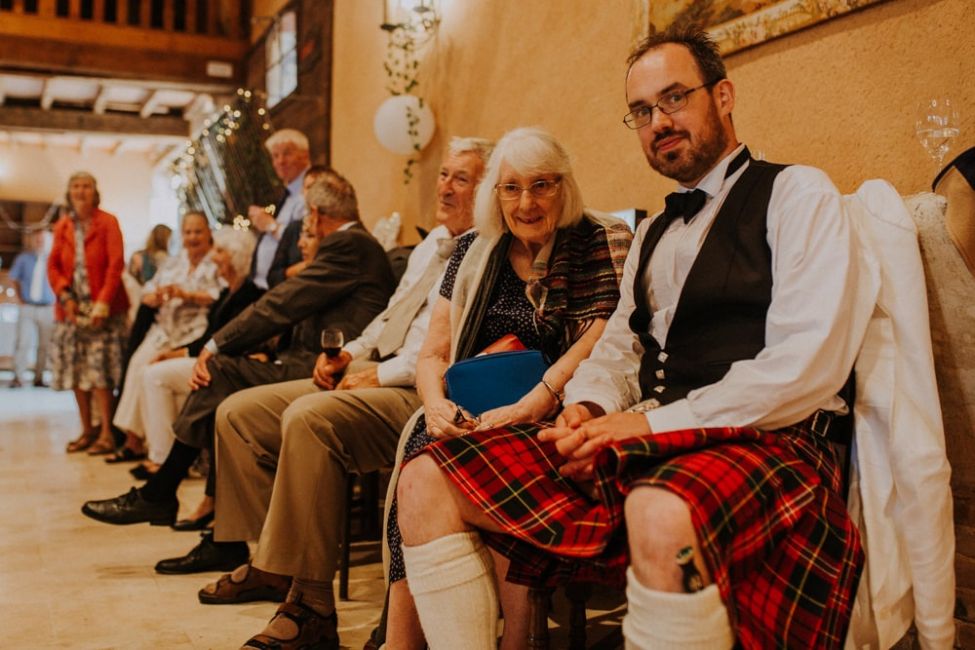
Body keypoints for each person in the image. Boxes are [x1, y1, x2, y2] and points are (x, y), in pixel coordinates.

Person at [395, 28, 864, 650]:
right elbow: (618, 348)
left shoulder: (798, 194)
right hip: (646, 437)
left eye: (674, 98)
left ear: (723, 96)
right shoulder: (651, 231)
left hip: (773, 439)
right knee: (425, 477)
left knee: (659, 506)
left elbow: (806, 366)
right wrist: (586, 410)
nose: (658, 122)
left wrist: (645, 426)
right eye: (641, 111)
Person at [181, 137, 494, 650]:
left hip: (421, 388)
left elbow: (452, 347)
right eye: (443, 175)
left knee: (309, 419)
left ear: (485, 190)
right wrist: (349, 353)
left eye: (461, 178)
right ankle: (271, 563)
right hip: (377, 364)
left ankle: (310, 603)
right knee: (238, 414)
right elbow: (388, 317)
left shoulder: (487, 251)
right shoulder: (431, 244)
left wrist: (380, 374)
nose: (444, 187)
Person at [388, 127, 633, 650]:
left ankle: (513, 639)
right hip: (472, 408)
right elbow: (433, 354)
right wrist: (435, 405)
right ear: (494, 194)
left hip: (560, 408)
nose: (526, 203)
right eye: (511, 188)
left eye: (542, 185)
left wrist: (535, 400)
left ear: (564, 186)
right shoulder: (474, 250)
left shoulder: (601, 240)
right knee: (421, 448)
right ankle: (403, 639)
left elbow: (603, 335)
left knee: (488, 461)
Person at [80, 171, 396, 544]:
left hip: (332, 368)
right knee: (221, 382)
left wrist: (216, 345)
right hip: (314, 360)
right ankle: (203, 523)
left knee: (219, 373)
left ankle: (168, 496)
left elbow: (284, 303)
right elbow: (294, 308)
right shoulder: (354, 245)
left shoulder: (350, 244)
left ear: (315, 213)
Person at [132, 227, 263, 505]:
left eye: (219, 251)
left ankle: (164, 463)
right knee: (149, 371)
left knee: (156, 376)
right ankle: (160, 458)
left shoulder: (249, 293)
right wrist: (174, 353)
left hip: (224, 363)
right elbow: (209, 339)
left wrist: (177, 354)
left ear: (235, 257)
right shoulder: (228, 292)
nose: (213, 257)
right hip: (212, 358)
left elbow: (232, 341)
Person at [109, 211, 220, 463]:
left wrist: (187, 295)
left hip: (193, 331)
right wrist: (156, 296)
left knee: (151, 373)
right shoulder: (174, 261)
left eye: (198, 231)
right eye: (188, 232)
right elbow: (148, 290)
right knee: (137, 365)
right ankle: (133, 439)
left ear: (208, 233)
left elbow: (221, 295)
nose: (193, 237)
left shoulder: (216, 261)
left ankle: (152, 447)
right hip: (164, 329)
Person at [48, 171, 129, 455]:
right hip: (71, 310)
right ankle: (87, 430)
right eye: (76, 186)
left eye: (86, 186)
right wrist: (64, 295)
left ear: (95, 192)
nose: (80, 191)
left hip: (103, 311)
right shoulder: (63, 225)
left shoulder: (108, 222)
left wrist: (103, 302)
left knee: (100, 373)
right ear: (69, 192)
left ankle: (107, 433)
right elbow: (53, 266)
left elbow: (116, 264)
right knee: (76, 372)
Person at [249, 129, 311, 289]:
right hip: (264, 285)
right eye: (275, 156)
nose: (280, 161)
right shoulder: (288, 193)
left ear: (305, 155)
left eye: (287, 154)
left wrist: (271, 226)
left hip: (289, 285)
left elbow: (304, 241)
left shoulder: (309, 191)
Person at [267, 164, 330, 287]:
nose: (312, 193)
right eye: (308, 187)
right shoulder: (294, 228)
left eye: (317, 187)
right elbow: (272, 277)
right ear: (302, 191)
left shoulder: (332, 227)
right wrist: (300, 268)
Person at [8, 228, 55, 388]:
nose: (40, 242)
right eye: (37, 240)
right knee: (23, 341)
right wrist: (19, 298)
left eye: (43, 240)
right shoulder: (23, 258)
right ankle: (18, 377)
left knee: (45, 345)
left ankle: (39, 378)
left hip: (48, 308)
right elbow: (13, 278)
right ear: (33, 241)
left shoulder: (54, 260)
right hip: (27, 306)